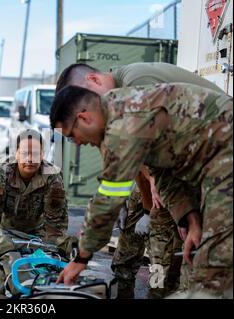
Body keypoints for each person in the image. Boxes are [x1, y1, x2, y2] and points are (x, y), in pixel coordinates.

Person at [55, 61, 224, 298]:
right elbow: (160, 169)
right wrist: (189, 217)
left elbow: (110, 196)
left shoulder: (129, 102)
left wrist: (82, 257)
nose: (79, 144)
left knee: (215, 272)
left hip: (220, 159)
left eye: (73, 136)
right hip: (205, 169)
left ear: (83, 117)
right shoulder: (121, 114)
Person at [0, 130, 68, 243]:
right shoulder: (0, 172)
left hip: (38, 234)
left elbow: (55, 222)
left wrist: (53, 250)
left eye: (35, 154)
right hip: (4, 232)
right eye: (25, 153)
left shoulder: (52, 176)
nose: (30, 159)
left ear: (42, 154)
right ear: (16, 153)